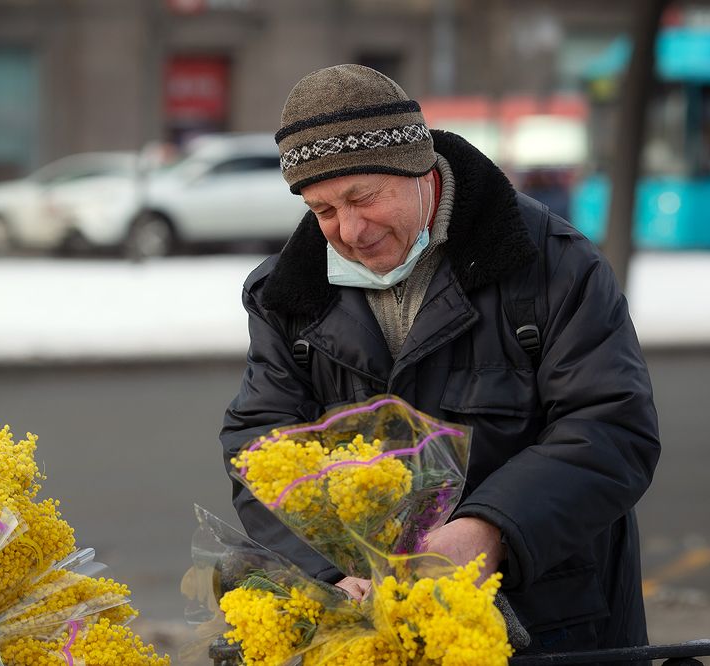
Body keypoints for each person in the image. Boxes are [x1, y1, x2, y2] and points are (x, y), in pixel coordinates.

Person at [220, 64, 660, 656]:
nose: (349, 230)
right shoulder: (286, 297)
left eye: (363, 198)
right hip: (370, 633)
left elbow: (611, 428)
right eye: (322, 210)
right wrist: (325, 571)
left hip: (553, 630)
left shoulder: (553, 267)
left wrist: (490, 530)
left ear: (421, 170)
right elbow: (258, 440)